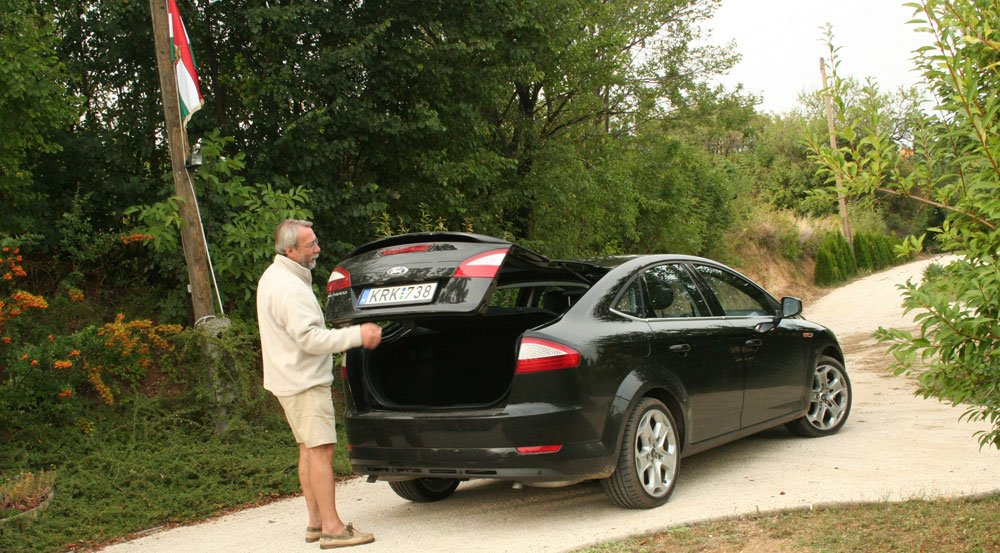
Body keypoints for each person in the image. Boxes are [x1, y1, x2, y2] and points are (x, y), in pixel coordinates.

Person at [256, 219, 381, 549]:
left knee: (309, 450)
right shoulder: (290, 288)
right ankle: (333, 528)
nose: (318, 249)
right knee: (322, 452)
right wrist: (358, 335)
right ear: (290, 250)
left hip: (288, 379)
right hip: (304, 381)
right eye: (310, 245)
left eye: (315, 242)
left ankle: (314, 524)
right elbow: (310, 339)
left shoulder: (275, 277)